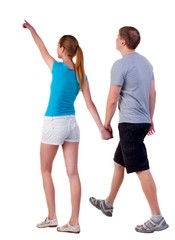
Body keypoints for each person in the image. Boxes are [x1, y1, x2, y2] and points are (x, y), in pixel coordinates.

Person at [22, 20, 112, 234]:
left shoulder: (57, 67)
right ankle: (74, 222)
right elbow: (90, 104)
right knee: (73, 173)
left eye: (58, 46)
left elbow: (40, 47)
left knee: (45, 170)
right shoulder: (82, 75)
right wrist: (101, 128)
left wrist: (33, 30)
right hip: (72, 125)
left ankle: (52, 217)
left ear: (62, 49)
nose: (55, 49)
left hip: (54, 123)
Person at [89, 26, 169, 233]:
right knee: (118, 162)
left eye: (117, 36)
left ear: (123, 42)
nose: (116, 39)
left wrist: (105, 124)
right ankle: (108, 203)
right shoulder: (147, 63)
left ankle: (157, 216)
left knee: (142, 168)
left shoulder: (120, 65)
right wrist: (150, 119)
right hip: (141, 122)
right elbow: (153, 94)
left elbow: (112, 99)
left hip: (130, 125)